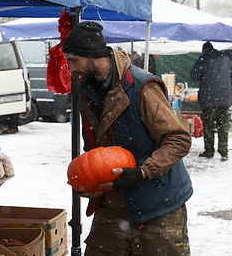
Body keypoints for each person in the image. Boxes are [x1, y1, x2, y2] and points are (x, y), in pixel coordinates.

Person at [63, 21, 193, 256]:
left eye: (74, 60)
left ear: (92, 56)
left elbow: (178, 139)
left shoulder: (142, 87)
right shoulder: (87, 90)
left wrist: (143, 172)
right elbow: (95, 146)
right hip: (114, 203)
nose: (71, 69)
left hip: (158, 203)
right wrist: (93, 182)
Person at [190, 41, 232, 161]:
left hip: (208, 100)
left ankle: (209, 151)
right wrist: (231, 97)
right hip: (224, 99)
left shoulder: (204, 59)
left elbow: (194, 75)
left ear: (204, 50)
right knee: (223, 127)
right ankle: (224, 152)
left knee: (209, 127)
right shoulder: (226, 59)